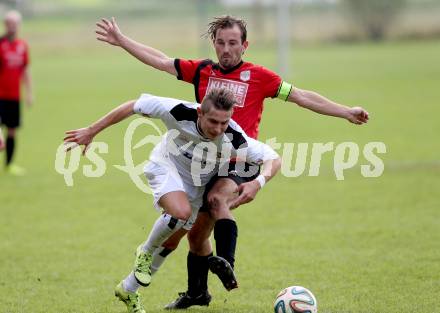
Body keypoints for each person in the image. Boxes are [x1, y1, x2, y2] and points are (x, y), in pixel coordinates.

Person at [95, 15, 369, 308]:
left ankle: (226, 261)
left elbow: (302, 96)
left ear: (244, 45)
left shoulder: (261, 76)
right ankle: (194, 292)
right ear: (214, 43)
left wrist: (345, 111)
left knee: (216, 200)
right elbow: (160, 60)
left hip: (241, 159)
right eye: (221, 43)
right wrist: (122, 41)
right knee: (191, 235)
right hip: (204, 162)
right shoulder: (201, 70)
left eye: (233, 43)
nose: (226, 49)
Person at [64, 87, 281, 313]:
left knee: (171, 242)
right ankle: (145, 251)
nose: (218, 129)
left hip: (195, 188)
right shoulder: (178, 111)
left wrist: (259, 182)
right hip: (165, 167)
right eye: (213, 121)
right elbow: (133, 105)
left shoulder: (234, 138)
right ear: (200, 113)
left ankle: (128, 289)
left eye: (224, 123)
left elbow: (273, 159)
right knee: (180, 213)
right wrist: (92, 130)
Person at [0, 10, 33, 175]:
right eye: (9, 24)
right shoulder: (0, 44)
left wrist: (29, 93)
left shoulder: (22, 46)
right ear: (5, 25)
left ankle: (9, 165)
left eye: (15, 24)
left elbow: (25, 70)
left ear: (19, 25)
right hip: (0, 96)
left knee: (11, 131)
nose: (12, 27)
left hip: (14, 96)